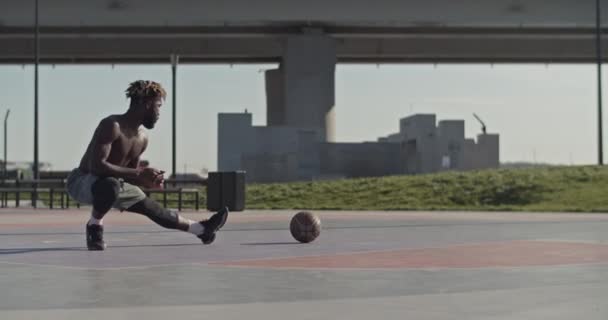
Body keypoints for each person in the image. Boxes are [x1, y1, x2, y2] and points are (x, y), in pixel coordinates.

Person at [66, 80, 228, 251]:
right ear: (146, 103)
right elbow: (97, 167)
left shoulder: (142, 138)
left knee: (151, 208)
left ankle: (202, 230)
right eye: (158, 106)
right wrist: (139, 173)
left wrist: (148, 180)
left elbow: (131, 176)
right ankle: (94, 227)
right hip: (82, 181)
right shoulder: (112, 125)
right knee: (110, 185)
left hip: (111, 183)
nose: (159, 113)